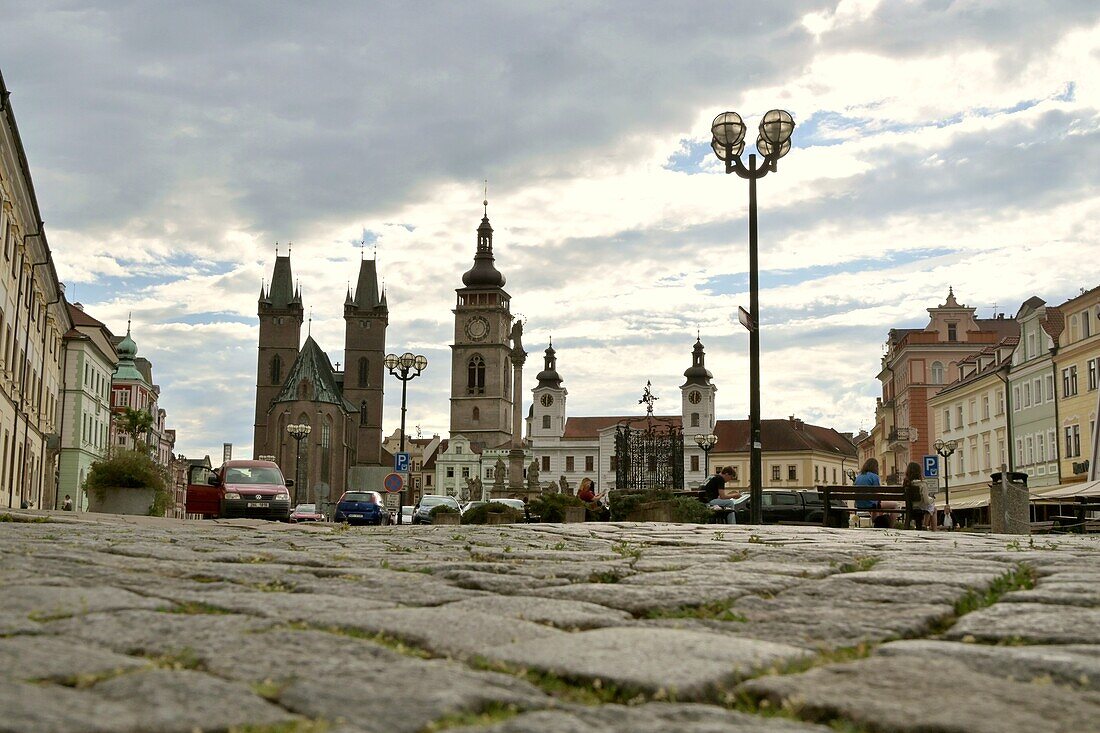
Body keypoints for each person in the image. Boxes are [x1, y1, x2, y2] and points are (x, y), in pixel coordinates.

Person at [853, 458, 886, 527]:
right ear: (875, 467)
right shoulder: (875, 477)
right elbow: (878, 493)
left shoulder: (858, 477)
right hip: (871, 504)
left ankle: (875, 523)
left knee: (875, 504)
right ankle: (890, 526)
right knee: (895, 505)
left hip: (859, 504)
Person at [901, 462, 929, 530]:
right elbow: (926, 501)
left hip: (909, 507)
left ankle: (924, 526)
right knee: (934, 509)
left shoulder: (906, 483)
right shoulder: (922, 484)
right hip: (919, 507)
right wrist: (932, 500)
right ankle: (933, 529)